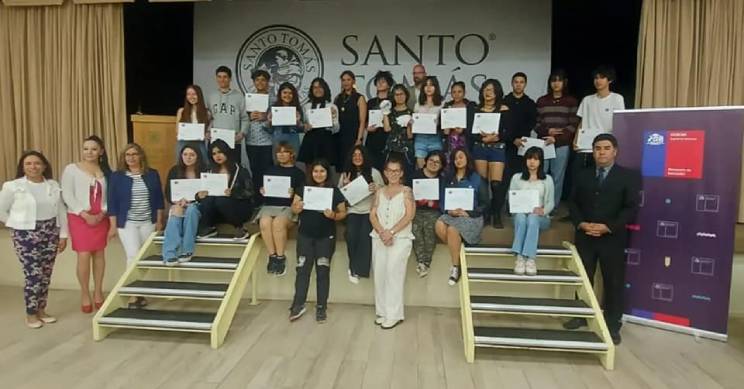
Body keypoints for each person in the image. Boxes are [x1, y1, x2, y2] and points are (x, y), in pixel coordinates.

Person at [564, 133, 640, 346]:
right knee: (583, 279)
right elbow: (573, 203)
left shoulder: (629, 176)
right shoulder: (582, 174)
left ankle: (612, 325)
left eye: (606, 148)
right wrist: (581, 223)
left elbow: (631, 207)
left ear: (615, 151)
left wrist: (609, 227)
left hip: (612, 237)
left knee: (613, 282)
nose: (601, 152)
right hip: (585, 235)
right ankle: (579, 316)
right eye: (597, 148)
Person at [0, 151, 68, 328]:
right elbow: (1, 210)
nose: (33, 167)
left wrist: (63, 235)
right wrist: (13, 223)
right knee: (34, 274)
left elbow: (61, 211)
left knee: (46, 274)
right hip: (25, 234)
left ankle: (41, 310)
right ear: (23, 167)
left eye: (37, 163)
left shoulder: (52, 185)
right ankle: (30, 314)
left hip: (50, 231)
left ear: (44, 166)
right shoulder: (13, 186)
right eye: (28, 163)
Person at [289, 159, 347, 323]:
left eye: (322, 171)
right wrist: (296, 208)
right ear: (311, 172)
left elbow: (343, 212)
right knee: (302, 270)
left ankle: (321, 307)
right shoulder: (303, 188)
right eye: (316, 171)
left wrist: (334, 216)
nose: (319, 174)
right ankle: (298, 304)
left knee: (322, 272)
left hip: (325, 237)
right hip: (305, 236)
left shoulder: (334, 191)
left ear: (327, 173)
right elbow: (294, 206)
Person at [107, 143, 165, 309]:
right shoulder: (117, 176)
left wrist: (159, 221)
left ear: (141, 156)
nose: (131, 157)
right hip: (127, 223)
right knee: (133, 256)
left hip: (148, 221)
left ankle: (139, 292)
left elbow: (159, 200)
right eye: (127, 155)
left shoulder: (152, 174)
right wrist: (112, 226)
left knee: (144, 258)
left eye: (134, 154)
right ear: (123, 158)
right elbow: (112, 203)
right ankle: (133, 294)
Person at [61, 135, 111, 313]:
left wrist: (103, 212)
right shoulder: (71, 169)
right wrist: (84, 214)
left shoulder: (106, 171)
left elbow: (109, 195)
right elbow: (67, 194)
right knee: (83, 255)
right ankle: (84, 293)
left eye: (93, 149)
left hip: (101, 218)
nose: (89, 152)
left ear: (101, 152)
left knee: (99, 255)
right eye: (85, 148)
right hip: (79, 218)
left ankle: (98, 292)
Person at [369, 157, 415, 329]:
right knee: (380, 274)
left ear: (401, 173)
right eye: (390, 171)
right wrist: (382, 231)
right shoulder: (379, 191)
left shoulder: (406, 191)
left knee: (393, 273)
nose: (393, 174)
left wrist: (392, 232)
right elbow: (372, 214)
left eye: (397, 171)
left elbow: (409, 215)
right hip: (379, 237)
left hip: (400, 238)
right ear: (385, 173)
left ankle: (394, 314)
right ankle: (382, 311)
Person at [435, 148, 488, 285]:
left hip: (471, 217)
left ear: (467, 159)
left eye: (460, 157)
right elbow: (442, 201)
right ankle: (457, 252)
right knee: (439, 224)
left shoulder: (477, 178)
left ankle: (455, 267)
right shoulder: (448, 178)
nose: (457, 160)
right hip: (452, 214)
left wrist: (469, 213)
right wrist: (448, 211)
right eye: (455, 158)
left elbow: (485, 203)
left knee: (452, 229)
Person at [258, 142, 305, 276]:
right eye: (279, 152)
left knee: (278, 223)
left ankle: (280, 258)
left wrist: (293, 193)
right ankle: (272, 256)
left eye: (285, 152)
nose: (281, 154)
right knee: (265, 222)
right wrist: (262, 190)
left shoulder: (299, 173)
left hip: (288, 207)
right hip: (270, 205)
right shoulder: (270, 170)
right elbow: (263, 190)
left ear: (292, 154)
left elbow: (301, 196)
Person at [338, 145, 384, 284]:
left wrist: (376, 189)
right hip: (352, 211)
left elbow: (384, 192)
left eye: (360, 155)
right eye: (354, 155)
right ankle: (354, 267)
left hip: (370, 211)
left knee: (365, 234)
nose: (357, 158)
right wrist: (345, 186)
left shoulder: (374, 172)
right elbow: (339, 197)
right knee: (351, 234)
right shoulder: (346, 174)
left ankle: (358, 269)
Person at [535, 69, 579, 211]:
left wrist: (557, 138)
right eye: (553, 80)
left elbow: (574, 125)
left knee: (557, 177)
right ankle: (539, 204)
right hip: (544, 143)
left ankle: (552, 207)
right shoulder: (542, 101)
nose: (556, 83)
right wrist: (547, 132)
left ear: (564, 83)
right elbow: (536, 123)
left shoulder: (571, 101)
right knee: (541, 175)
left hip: (561, 144)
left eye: (559, 80)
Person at [471, 79, 511, 228]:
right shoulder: (476, 109)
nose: (488, 93)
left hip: (497, 148)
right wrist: (483, 138)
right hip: (480, 147)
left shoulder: (503, 109)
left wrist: (496, 137)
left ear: (497, 92)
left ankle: (496, 213)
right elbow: (471, 132)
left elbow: (509, 132)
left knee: (496, 184)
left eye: (491, 90)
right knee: (482, 183)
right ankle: (485, 213)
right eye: (485, 89)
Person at [509, 147, 554, 276]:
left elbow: (551, 202)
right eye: (529, 158)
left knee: (533, 218)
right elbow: (512, 198)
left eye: (535, 159)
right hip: (520, 214)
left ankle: (530, 258)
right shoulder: (516, 178)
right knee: (522, 218)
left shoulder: (547, 179)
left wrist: (543, 210)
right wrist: (518, 209)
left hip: (540, 217)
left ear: (541, 161)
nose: (532, 162)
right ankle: (520, 259)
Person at [196, 140, 255, 240]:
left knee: (221, 201)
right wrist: (198, 195)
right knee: (208, 200)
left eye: (220, 152)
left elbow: (250, 192)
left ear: (226, 152)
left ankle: (240, 228)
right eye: (214, 154)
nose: (217, 156)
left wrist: (233, 193)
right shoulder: (209, 171)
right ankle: (208, 228)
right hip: (218, 209)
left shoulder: (240, 170)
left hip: (239, 207)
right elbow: (199, 193)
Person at [162, 144, 208, 267]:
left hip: (198, 206)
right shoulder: (174, 170)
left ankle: (187, 250)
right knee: (176, 210)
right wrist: (176, 201)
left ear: (198, 156)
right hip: (180, 204)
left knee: (192, 209)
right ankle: (169, 254)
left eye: (192, 155)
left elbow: (210, 194)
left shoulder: (205, 171)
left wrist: (198, 198)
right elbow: (168, 192)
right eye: (185, 154)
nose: (188, 157)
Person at [573, 66, 625, 170]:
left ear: (609, 80)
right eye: (596, 78)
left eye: (602, 78)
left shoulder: (617, 98)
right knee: (580, 174)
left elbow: (620, 121)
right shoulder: (587, 100)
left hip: (605, 145)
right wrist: (576, 140)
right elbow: (582, 122)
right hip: (585, 145)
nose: (598, 81)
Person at [411, 150, 445, 277]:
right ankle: (421, 261)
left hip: (434, 211)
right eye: (431, 160)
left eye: (437, 162)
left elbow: (444, 199)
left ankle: (426, 262)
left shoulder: (442, 180)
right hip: (416, 209)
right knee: (415, 229)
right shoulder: (415, 175)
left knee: (430, 230)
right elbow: (407, 194)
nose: (433, 163)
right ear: (425, 161)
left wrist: (433, 204)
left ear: (441, 165)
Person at [207, 65, 249, 164]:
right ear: (216, 78)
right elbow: (210, 118)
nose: (222, 79)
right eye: (219, 76)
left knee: (234, 167)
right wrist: (208, 131)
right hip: (215, 141)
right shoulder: (211, 96)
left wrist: (242, 133)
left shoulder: (239, 96)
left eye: (225, 77)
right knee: (215, 168)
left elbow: (245, 118)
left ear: (230, 79)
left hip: (233, 140)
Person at [503, 73, 538, 189]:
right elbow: (502, 123)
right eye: (516, 82)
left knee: (521, 175)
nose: (518, 85)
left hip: (523, 144)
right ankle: (506, 204)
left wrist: (520, 138)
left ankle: (519, 203)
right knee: (505, 175)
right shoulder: (504, 101)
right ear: (512, 83)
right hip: (507, 143)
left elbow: (532, 122)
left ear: (525, 84)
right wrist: (513, 139)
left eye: (521, 82)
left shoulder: (530, 103)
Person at [299, 77, 339, 171]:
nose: (317, 90)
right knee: (309, 169)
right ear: (311, 90)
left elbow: (337, 129)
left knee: (325, 169)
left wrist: (332, 119)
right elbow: (303, 126)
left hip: (326, 140)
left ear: (325, 89)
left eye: (320, 87)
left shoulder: (332, 106)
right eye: (314, 87)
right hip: (310, 140)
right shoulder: (306, 107)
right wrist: (304, 126)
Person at [245, 70, 274, 198]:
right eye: (257, 79)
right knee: (255, 171)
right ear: (254, 82)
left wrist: (266, 118)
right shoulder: (248, 99)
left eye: (263, 79)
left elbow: (277, 122)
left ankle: (267, 198)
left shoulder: (273, 100)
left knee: (267, 172)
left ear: (268, 82)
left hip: (267, 141)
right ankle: (257, 199)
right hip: (251, 141)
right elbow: (241, 119)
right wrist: (248, 116)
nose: (260, 82)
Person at [333, 71, 367, 171]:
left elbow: (362, 121)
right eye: (343, 80)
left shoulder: (360, 98)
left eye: (348, 79)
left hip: (353, 138)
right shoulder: (337, 98)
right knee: (341, 167)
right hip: (339, 137)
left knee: (352, 166)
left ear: (353, 81)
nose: (346, 82)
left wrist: (359, 139)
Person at [382, 84, 415, 179]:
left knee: (406, 176)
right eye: (396, 95)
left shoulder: (411, 112)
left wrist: (409, 125)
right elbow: (387, 129)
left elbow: (410, 136)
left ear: (406, 95)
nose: (399, 97)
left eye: (401, 94)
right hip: (392, 149)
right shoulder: (389, 112)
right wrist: (385, 113)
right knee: (391, 176)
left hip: (406, 150)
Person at [365, 70, 395, 171]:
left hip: (387, 138)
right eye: (378, 81)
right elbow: (365, 121)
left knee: (387, 168)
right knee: (372, 169)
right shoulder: (371, 102)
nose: (380, 84)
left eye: (383, 81)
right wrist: (367, 128)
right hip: (372, 139)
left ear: (389, 85)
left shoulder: (393, 102)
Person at [413, 76, 443, 169]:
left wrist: (437, 123)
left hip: (435, 138)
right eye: (426, 85)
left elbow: (445, 123)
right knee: (421, 168)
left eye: (431, 85)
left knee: (435, 167)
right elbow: (415, 122)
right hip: (420, 139)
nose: (428, 88)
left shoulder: (442, 104)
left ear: (436, 87)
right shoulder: (418, 105)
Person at [268, 82, 305, 159]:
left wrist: (298, 122)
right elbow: (268, 129)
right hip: (278, 139)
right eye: (285, 92)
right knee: (278, 164)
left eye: (290, 93)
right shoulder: (273, 108)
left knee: (292, 162)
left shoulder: (297, 108)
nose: (287, 95)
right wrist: (269, 121)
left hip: (293, 139)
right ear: (280, 94)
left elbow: (302, 129)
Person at [175, 84, 210, 162]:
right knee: (183, 168)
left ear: (199, 95)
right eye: (188, 94)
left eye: (194, 94)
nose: (191, 97)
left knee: (202, 166)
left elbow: (208, 132)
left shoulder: (206, 113)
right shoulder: (181, 111)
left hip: (199, 144)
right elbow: (177, 131)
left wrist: (207, 134)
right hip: (183, 144)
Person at [442, 81, 475, 160]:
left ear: (464, 93)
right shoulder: (447, 106)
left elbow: (474, 126)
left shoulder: (470, 106)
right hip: (450, 141)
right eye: (454, 92)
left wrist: (463, 130)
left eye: (459, 92)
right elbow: (442, 127)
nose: (456, 95)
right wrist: (445, 130)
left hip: (465, 141)